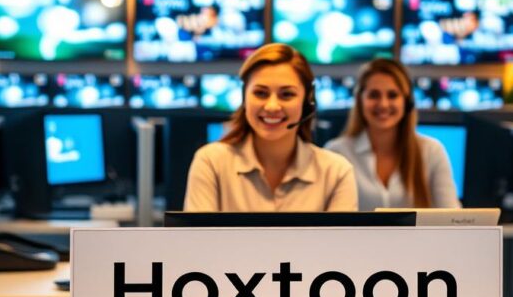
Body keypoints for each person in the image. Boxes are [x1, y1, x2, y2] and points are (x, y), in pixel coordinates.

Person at [184, 43, 358, 212]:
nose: (272, 106)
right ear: (244, 97)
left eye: (286, 94)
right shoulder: (211, 163)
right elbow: (198, 233)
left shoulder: (336, 173)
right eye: (261, 93)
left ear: (307, 102)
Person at [325, 57, 459, 210]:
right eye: (374, 95)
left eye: (392, 95)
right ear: (360, 101)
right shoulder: (336, 153)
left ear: (407, 103)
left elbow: (452, 217)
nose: (383, 104)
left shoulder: (432, 151)